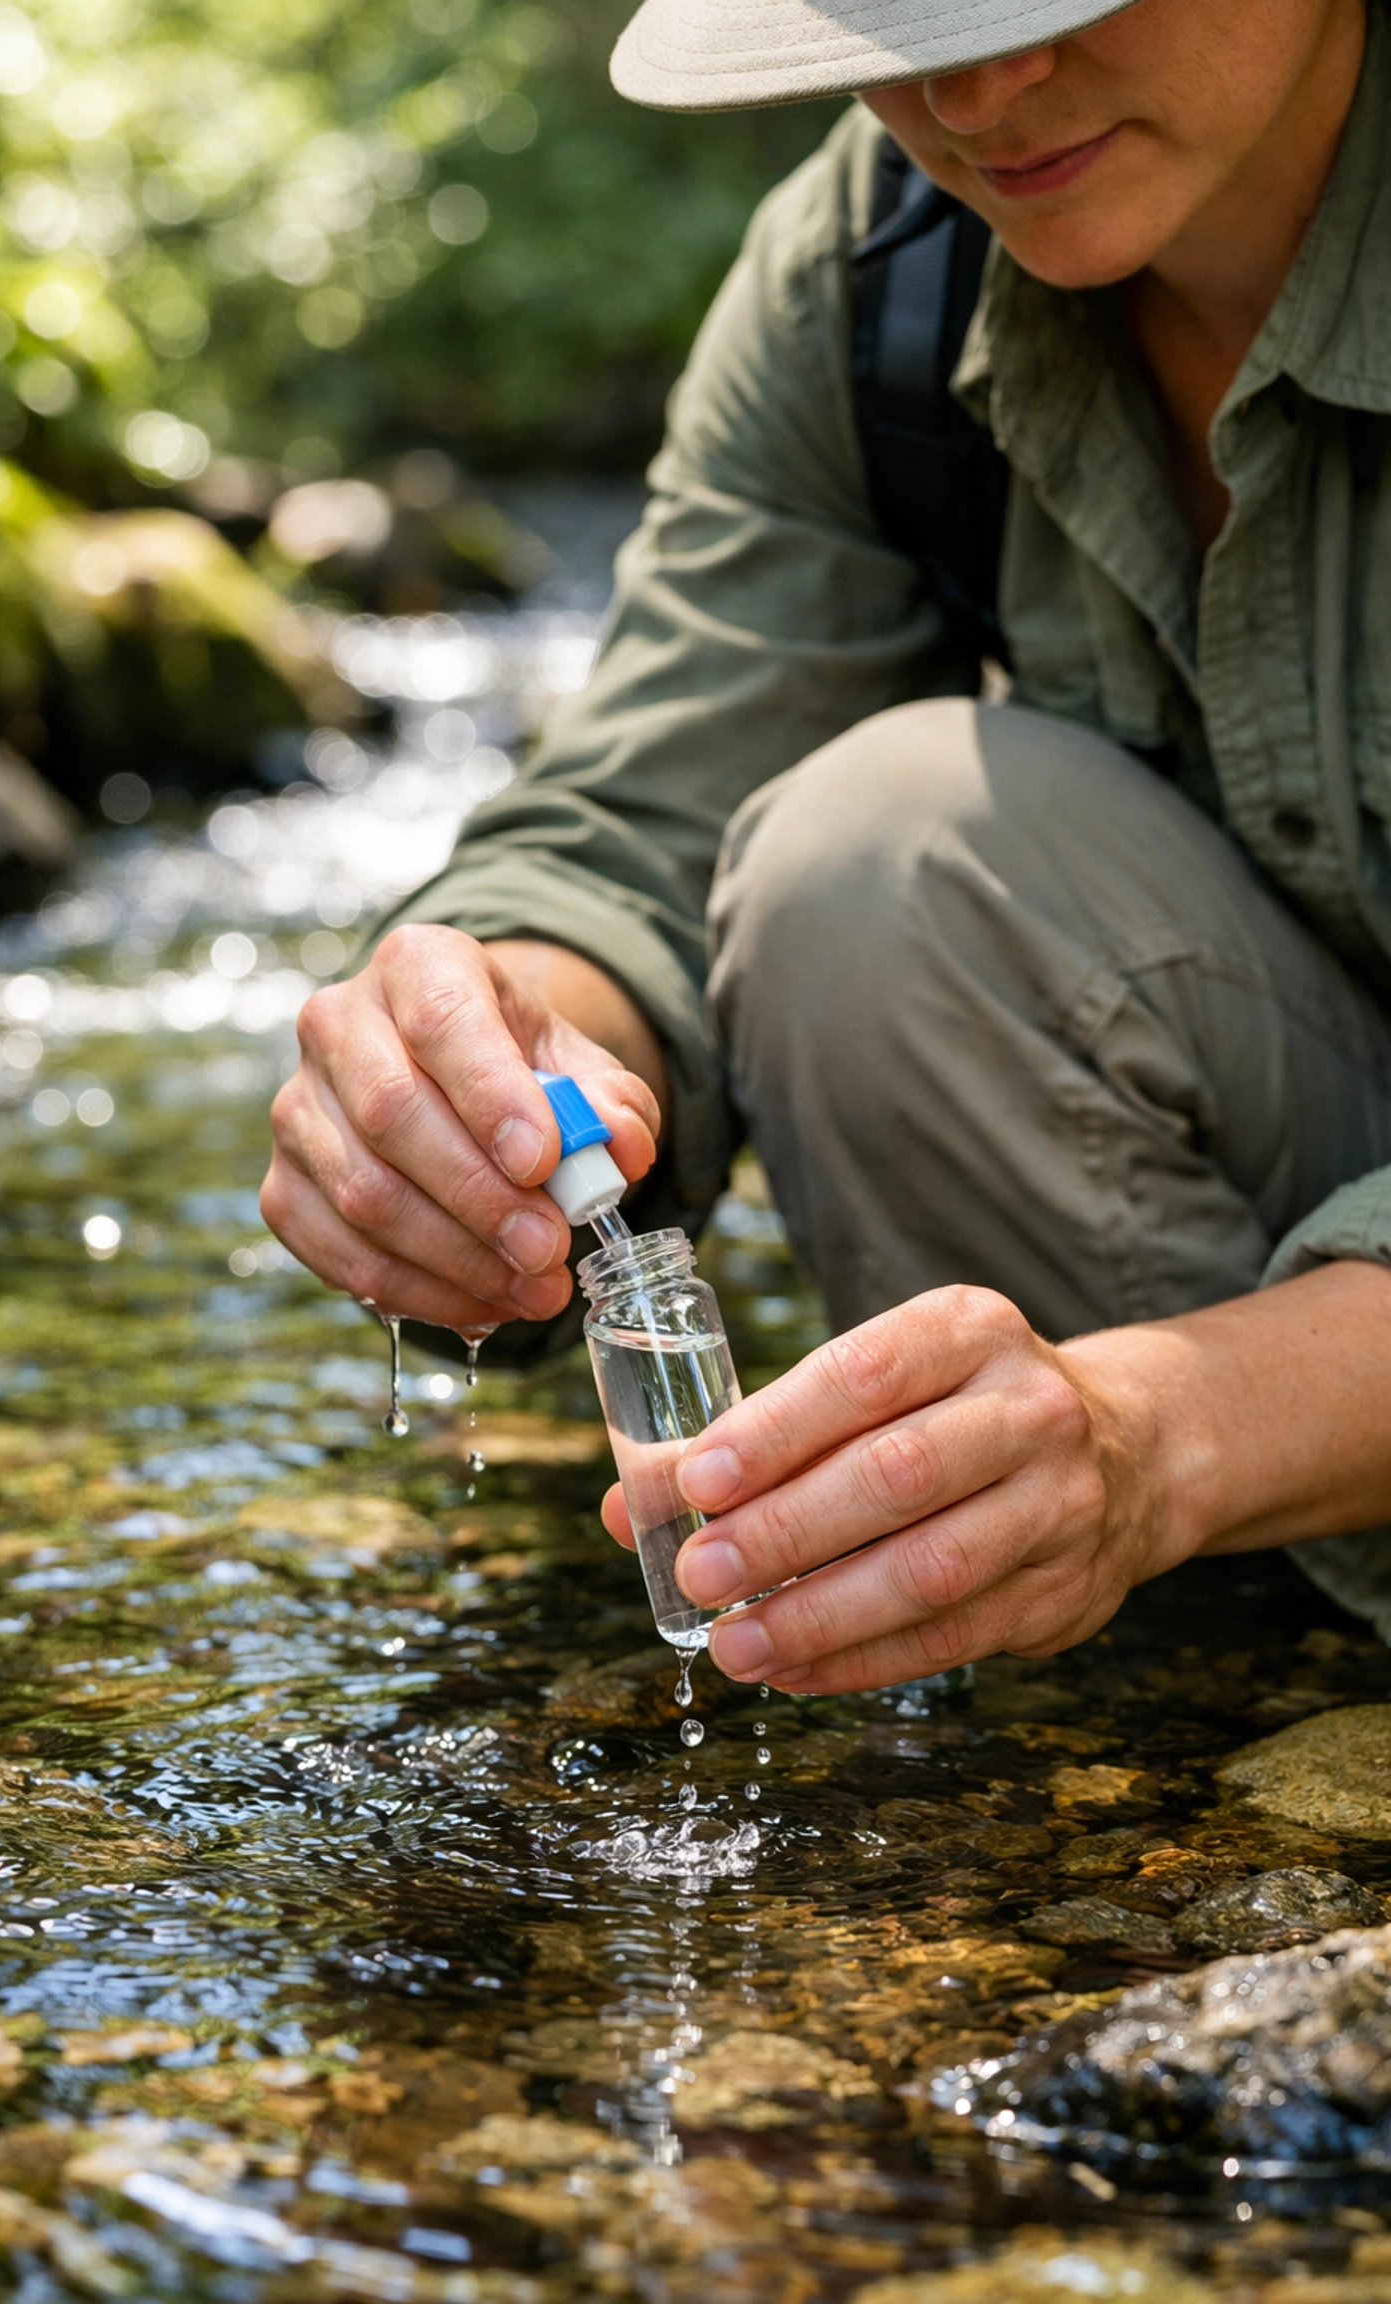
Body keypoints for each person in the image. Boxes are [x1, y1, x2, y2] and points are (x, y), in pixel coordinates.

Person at [263, 0, 1391, 1695]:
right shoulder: (882, 267)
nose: (972, 89)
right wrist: (487, 1060)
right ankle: (1203, 1691)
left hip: (1218, 1418)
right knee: (880, 865)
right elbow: (652, 809)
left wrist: (1159, 1436)